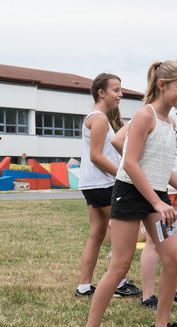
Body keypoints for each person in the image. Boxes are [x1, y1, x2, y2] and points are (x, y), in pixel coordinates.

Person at [77, 60, 177, 327]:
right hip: (130, 193)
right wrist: (157, 201)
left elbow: (163, 166)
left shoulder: (170, 122)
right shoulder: (144, 115)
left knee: (173, 258)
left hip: (155, 193)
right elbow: (131, 163)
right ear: (162, 85)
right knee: (121, 263)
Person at [111, 122, 177, 309]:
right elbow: (118, 140)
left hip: (173, 188)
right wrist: (138, 164)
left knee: (171, 246)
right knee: (152, 243)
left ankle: (171, 291)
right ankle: (148, 294)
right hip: (153, 189)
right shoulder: (147, 115)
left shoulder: (172, 118)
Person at [75, 73, 142, 299]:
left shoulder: (98, 117)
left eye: (120, 90)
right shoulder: (100, 118)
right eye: (116, 90)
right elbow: (96, 156)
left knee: (98, 233)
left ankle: (84, 287)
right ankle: (120, 282)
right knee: (122, 231)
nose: (120, 94)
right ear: (101, 93)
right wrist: (123, 174)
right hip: (102, 183)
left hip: (92, 183)